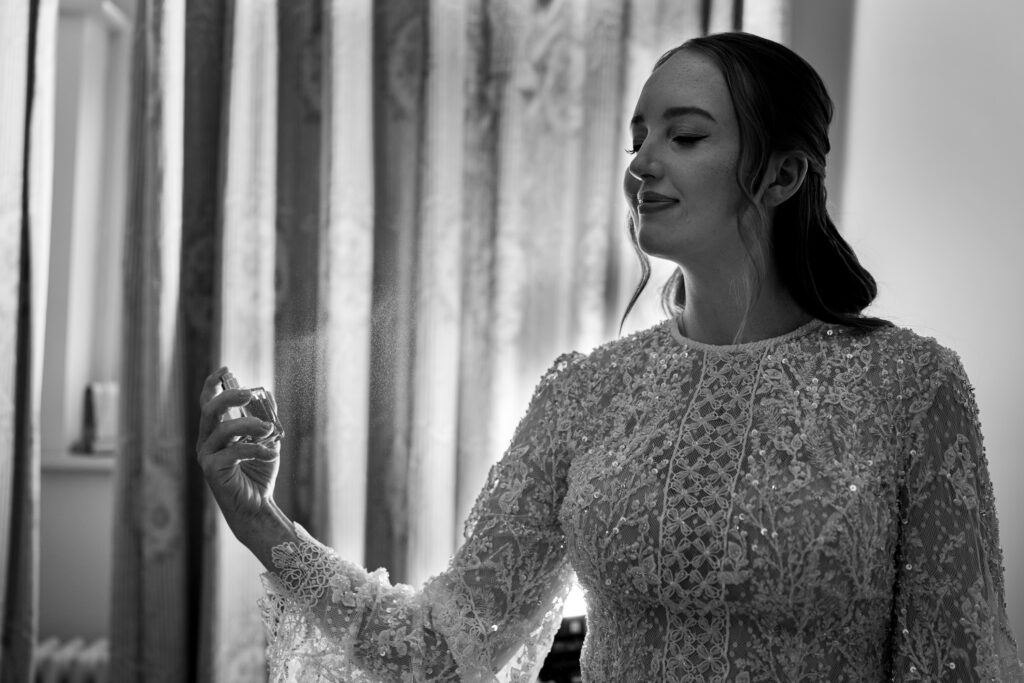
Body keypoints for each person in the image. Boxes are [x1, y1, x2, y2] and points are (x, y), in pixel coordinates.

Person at [196, 32, 1024, 682]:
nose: (641, 163)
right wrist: (260, 520)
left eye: (685, 135)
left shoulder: (910, 388)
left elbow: (957, 665)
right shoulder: (585, 393)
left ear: (781, 175)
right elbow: (444, 651)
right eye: (638, 137)